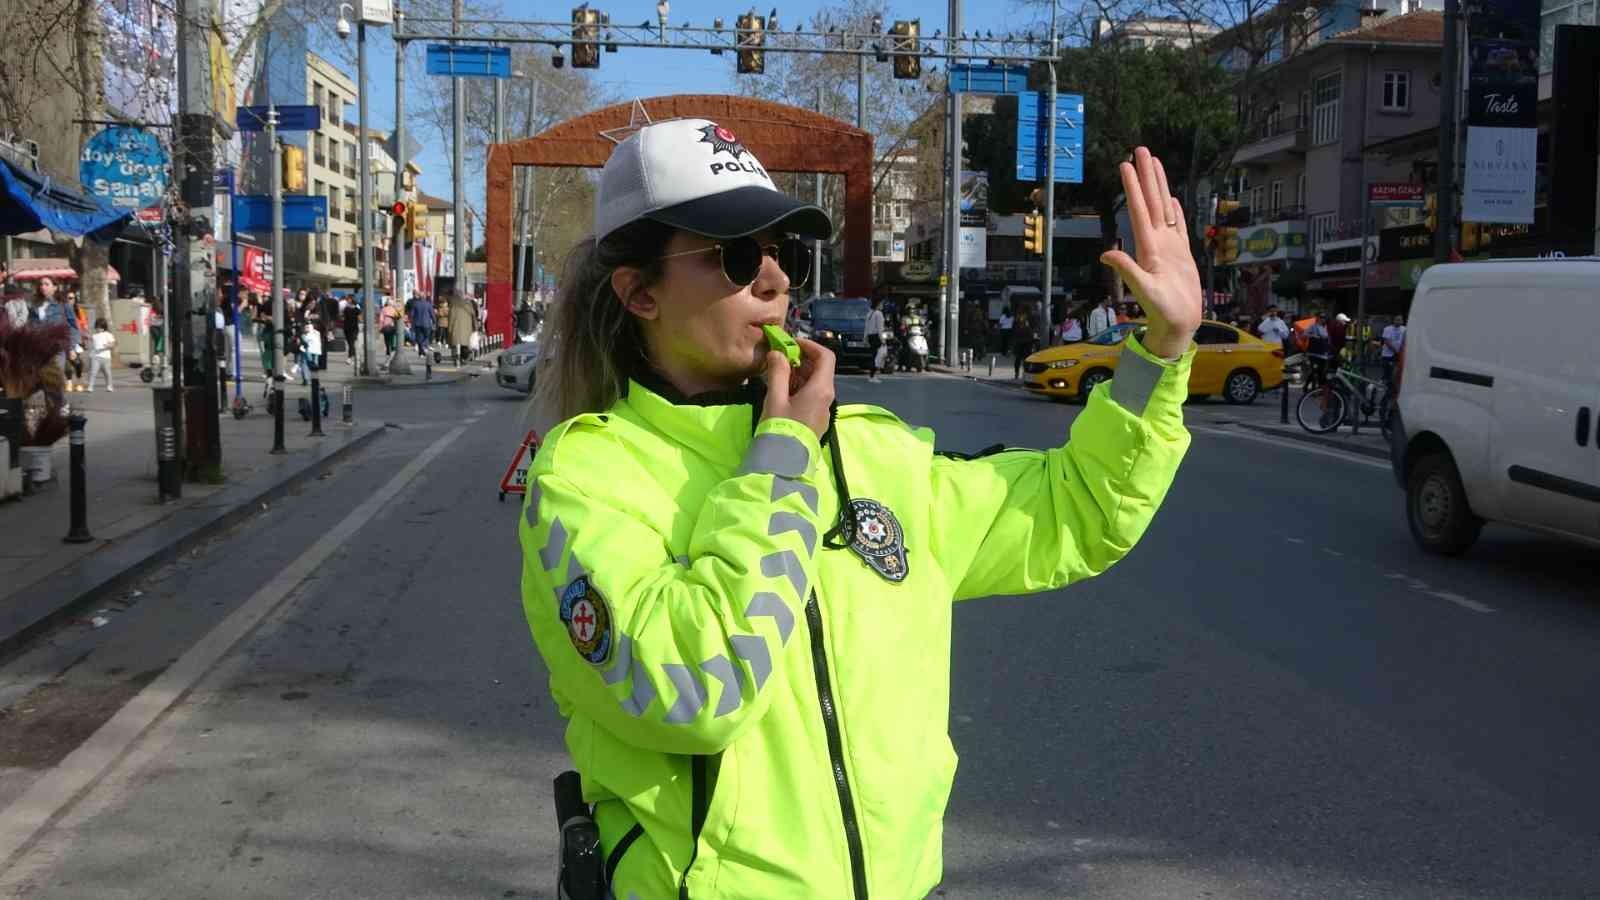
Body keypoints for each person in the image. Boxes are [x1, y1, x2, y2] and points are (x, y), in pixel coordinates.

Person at [518, 122, 1200, 899]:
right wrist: (780, 458)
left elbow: (1077, 508)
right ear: (639, 292)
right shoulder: (588, 475)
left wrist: (1162, 350)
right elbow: (694, 691)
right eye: (736, 256)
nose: (776, 281)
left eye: (785, 254)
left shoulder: (873, 452)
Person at [87, 318, 117, 392]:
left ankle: (109, 386)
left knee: (107, 373)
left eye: (100, 327)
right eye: (97, 327)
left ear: (104, 327)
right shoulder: (95, 335)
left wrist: (108, 345)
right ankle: (90, 386)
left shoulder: (108, 335)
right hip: (96, 357)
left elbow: (113, 343)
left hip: (106, 357)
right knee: (93, 372)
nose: (98, 329)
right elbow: (89, 338)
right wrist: (85, 335)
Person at [1011, 306, 1038, 379]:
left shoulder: (1019, 319)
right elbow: (1033, 329)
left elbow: (1013, 330)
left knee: (1020, 358)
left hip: (1022, 341)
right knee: (1024, 358)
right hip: (1026, 341)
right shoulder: (1026, 319)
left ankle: (1019, 373)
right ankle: (1022, 373)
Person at [863, 296, 886, 382]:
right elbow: (880, 329)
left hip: (870, 337)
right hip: (876, 337)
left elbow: (866, 327)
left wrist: (865, 338)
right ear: (878, 304)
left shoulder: (869, 313)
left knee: (874, 356)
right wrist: (882, 340)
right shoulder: (879, 314)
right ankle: (873, 376)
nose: (882, 306)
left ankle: (871, 375)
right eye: (882, 304)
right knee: (879, 356)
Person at [409, 293, 436, 360]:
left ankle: (421, 352)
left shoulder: (415, 304)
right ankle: (423, 347)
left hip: (417, 323)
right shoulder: (428, 304)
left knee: (419, 337)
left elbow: (412, 314)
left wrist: (412, 321)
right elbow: (432, 314)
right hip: (426, 324)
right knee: (426, 336)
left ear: (419, 297)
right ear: (424, 297)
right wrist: (434, 321)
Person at [1380, 314, 1406, 383]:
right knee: (1387, 373)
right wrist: (1396, 351)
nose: (1399, 321)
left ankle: (1392, 388)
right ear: (1393, 321)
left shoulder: (1404, 329)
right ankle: (1383, 386)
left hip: (1398, 354)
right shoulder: (1387, 329)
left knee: (1396, 373)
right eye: (1397, 320)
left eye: (1400, 320)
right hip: (1387, 355)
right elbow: (1387, 342)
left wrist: (1401, 351)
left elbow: (1404, 341)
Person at [343, 296, 362, 366]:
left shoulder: (346, 309)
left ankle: (350, 358)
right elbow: (360, 319)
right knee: (351, 343)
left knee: (350, 343)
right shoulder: (356, 309)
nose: (347, 301)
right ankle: (351, 357)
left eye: (348, 300)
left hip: (348, 327)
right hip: (352, 328)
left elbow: (343, 317)